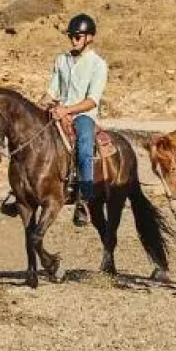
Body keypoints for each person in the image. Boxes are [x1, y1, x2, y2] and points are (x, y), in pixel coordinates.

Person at [46, 12, 108, 227]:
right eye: (71, 36)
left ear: (89, 37)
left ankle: (84, 196)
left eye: (78, 36)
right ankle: (18, 189)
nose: (73, 40)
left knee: (84, 144)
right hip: (59, 110)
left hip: (83, 115)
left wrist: (67, 111)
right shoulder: (61, 60)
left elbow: (92, 100)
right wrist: (47, 105)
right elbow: (52, 91)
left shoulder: (98, 64)